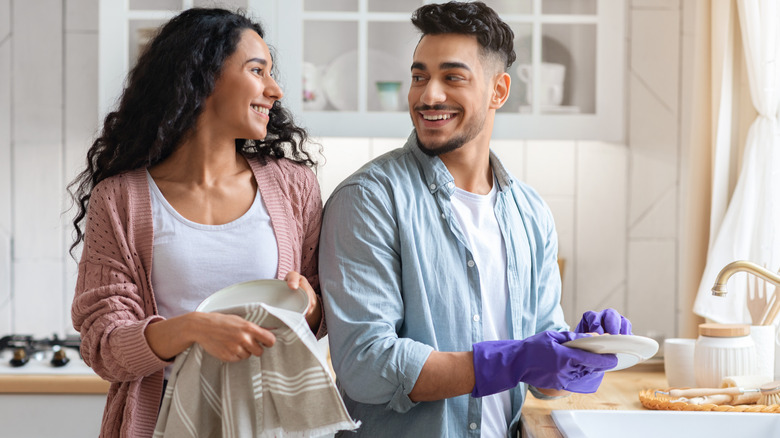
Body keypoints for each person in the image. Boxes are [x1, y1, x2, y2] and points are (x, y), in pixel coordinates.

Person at [319, 2, 632, 437]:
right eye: (419, 76)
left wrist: (583, 354)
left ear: (498, 91)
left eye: (452, 77)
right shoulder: (371, 200)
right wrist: (513, 359)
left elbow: (544, 384)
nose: (428, 95)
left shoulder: (530, 213)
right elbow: (366, 366)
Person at [68, 8, 324, 438]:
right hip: (162, 423)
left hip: (269, 422)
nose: (275, 90)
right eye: (257, 70)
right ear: (201, 76)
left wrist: (311, 307)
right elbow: (103, 345)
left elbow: (317, 319)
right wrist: (190, 329)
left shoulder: (293, 186)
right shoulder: (120, 198)